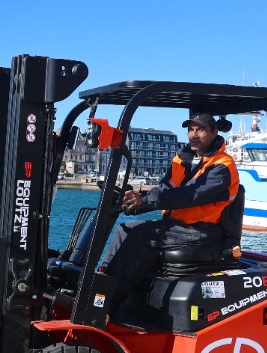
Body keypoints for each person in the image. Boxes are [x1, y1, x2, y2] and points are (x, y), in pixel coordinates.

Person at [100, 113, 239, 307]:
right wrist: (133, 204)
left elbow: (189, 195)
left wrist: (146, 199)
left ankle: (109, 301)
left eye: (200, 129)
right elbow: (164, 192)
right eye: (191, 129)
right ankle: (102, 281)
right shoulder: (182, 162)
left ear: (214, 132)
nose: (194, 135)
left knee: (142, 235)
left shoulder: (222, 166)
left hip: (203, 230)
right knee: (126, 229)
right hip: (179, 226)